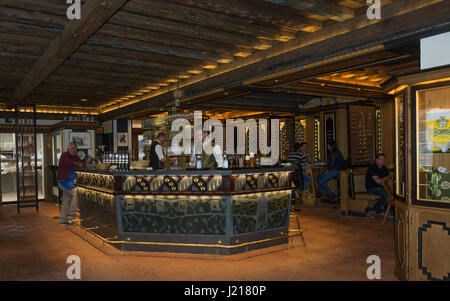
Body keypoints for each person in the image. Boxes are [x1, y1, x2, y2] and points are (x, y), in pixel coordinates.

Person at [57, 142, 85, 226]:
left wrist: (78, 163)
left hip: (69, 182)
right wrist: (77, 163)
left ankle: (63, 220)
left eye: (75, 148)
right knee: (75, 193)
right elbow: (71, 165)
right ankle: (72, 213)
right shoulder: (64, 155)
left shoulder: (75, 157)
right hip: (63, 182)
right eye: (72, 148)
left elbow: (83, 164)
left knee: (66, 199)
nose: (74, 150)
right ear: (68, 149)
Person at [366, 153, 391, 219]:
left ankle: (384, 210)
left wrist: (386, 180)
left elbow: (389, 177)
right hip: (372, 188)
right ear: (377, 160)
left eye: (384, 159)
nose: (383, 161)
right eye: (381, 159)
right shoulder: (372, 168)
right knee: (387, 194)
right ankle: (373, 210)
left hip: (381, 188)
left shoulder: (384, 168)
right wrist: (385, 180)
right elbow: (377, 181)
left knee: (392, 193)